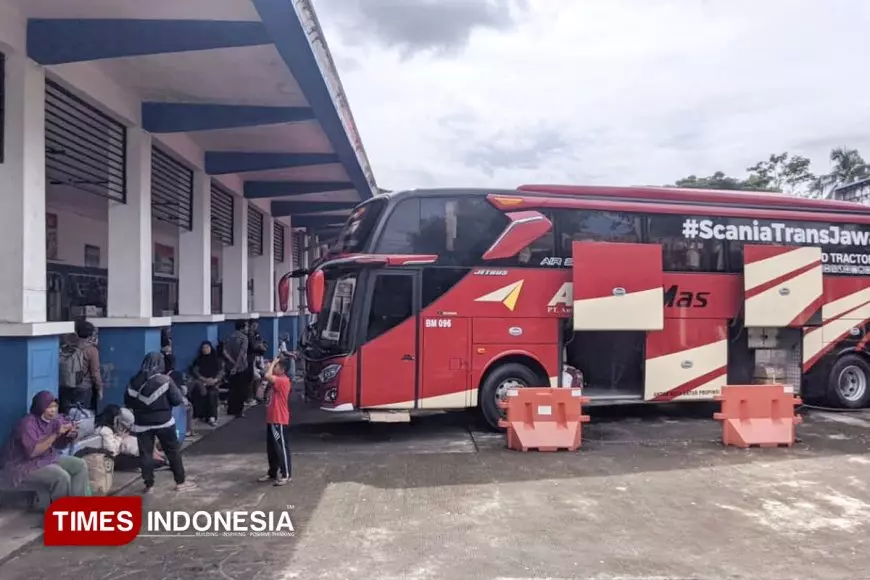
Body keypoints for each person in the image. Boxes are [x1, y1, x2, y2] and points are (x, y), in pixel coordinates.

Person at [124, 352, 196, 493]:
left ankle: (149, 485)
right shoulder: (165, 380)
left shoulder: (134, 381)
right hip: (164, 422)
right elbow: (176, 400)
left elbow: (127, 401)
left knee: (146, 454)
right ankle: (180, 482)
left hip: (141, 423)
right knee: (172, 451)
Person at [0, 391, 88, 502]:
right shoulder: (27, 424)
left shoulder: (54, 420)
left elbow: (59, 444)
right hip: (22, 464)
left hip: (45, 458)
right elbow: (32, 453)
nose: (53, 410)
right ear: (40, 407)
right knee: (61, 476)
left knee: (79, 465)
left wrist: (69, 435)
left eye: (55, 407)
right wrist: (56, 434)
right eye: (49, 407)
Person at [257, 357, 292, 486]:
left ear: (282, 369)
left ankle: (286, 474)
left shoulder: (283, 381)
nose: (273, 368)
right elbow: (265, 376)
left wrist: (273, 363)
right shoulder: (275, 382)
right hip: (272, 418)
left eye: (276, 367)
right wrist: (271, 365)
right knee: (271, 449)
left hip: (279, 419)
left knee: (281, 447)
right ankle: (272, 472)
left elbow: (267, 375)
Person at [58, 320, 103, 414]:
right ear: (91, 334)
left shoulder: (68, 347)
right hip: (83, 388)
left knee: (66, 414)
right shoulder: (91, 350)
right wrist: (100, 389)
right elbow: (95, 373)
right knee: (82, 415)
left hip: (66, 386)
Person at [190, 341, 224, 426]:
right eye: (203, 348)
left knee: (212, 394)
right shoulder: (198, 360)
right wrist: (203, 379)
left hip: (214, 383)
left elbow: (221, 372)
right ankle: (201, 415)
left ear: (211, 348)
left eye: (207, 348)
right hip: (202, 383)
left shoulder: (217, 360)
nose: (205, 350)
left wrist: (215, 380)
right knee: (199, 393)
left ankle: (212, 417)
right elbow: (195, 371)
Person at [223, 320, 250, 418]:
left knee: (232, 388)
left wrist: (231, 363)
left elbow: (224, 351)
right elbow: (242, 354)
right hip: (241, 367)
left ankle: (231, 409)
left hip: (229, 366)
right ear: (242, 327)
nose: (247, 329)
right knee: (241, 390)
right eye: (246, 327)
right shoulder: (244, 338)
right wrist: (236, 366)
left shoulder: (230, 337)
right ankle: (238, 411)